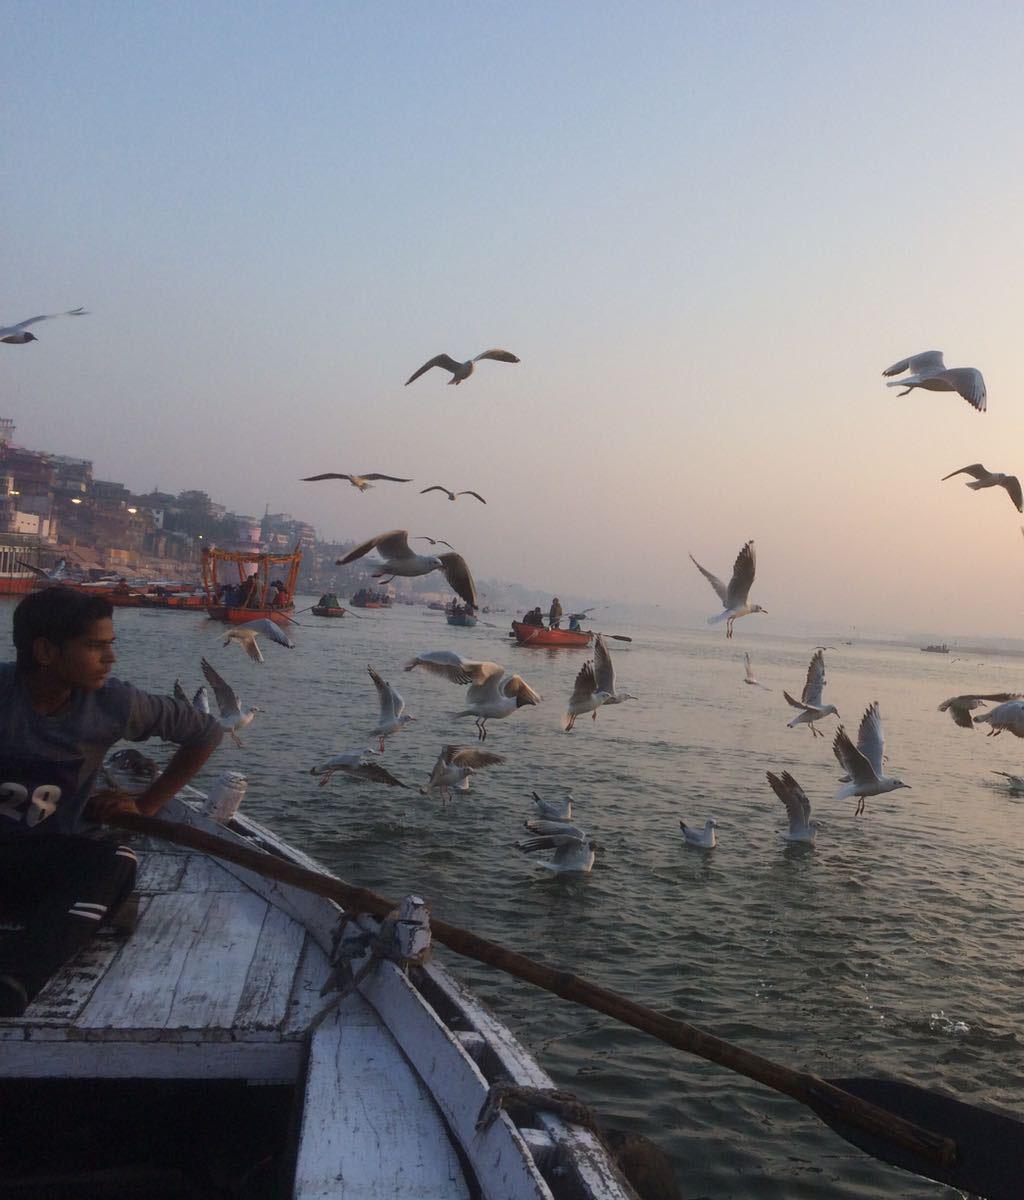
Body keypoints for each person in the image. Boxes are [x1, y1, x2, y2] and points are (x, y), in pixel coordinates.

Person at [0, 587, 223, 1017]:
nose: (110, 658)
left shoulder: (113, 704)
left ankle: (16, 978)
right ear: (45, 651)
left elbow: (206, 732)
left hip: (43, 864)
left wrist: (146, 805)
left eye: (110, 646)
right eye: (95, 646)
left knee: (115, 860)